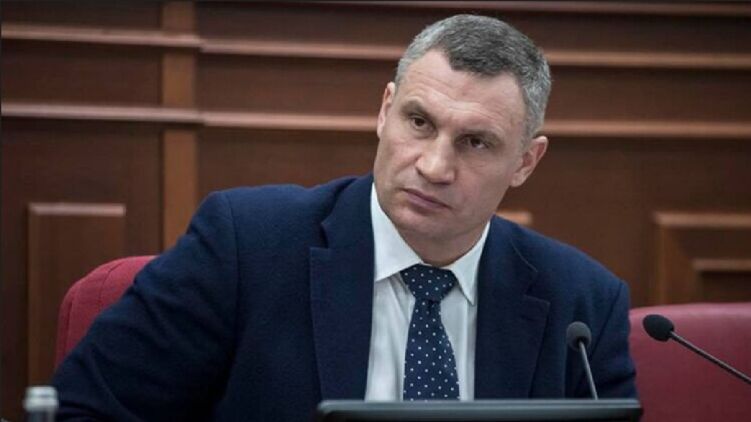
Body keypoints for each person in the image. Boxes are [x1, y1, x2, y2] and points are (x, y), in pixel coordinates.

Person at [53, 14, 636, 420]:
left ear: (525, 162)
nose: (434, 166)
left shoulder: (582, 304)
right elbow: (85, 410)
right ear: (385, 111)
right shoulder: (246, 247)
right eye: (419, 123)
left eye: (476, 142)